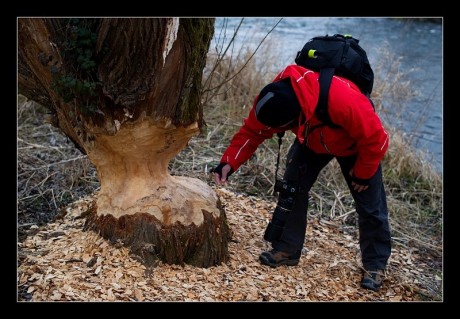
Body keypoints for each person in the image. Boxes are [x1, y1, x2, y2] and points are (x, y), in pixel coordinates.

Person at [212, 64, 391, 292]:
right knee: (292, 189)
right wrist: (229, 161)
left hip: (354, 146)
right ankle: (287, 248)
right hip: (312, 139)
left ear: (294, 119)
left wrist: (364, 174)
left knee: (370, 206)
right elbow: (253, 131)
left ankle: (375, 266)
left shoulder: (343, 99)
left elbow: (378, 139)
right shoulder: (273, 96)